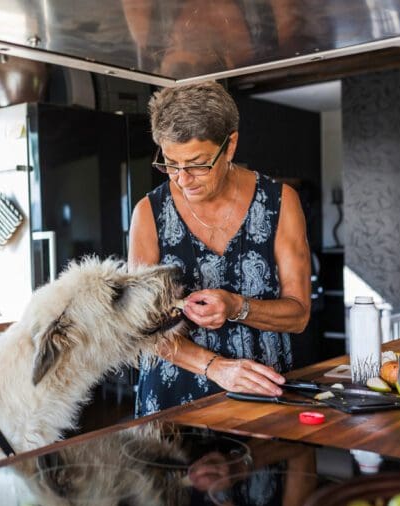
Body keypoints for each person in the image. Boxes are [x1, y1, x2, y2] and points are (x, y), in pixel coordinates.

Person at [129, 81, 311, 415]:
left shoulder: (281, 203)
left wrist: (238, 307)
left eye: (198, 163)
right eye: (171, 163)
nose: (183, 179)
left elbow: (298, 315)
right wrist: (216, 367)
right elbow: (142, 328)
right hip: (173, 404)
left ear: (230, 146)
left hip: (261, 395)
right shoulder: (148, 214)